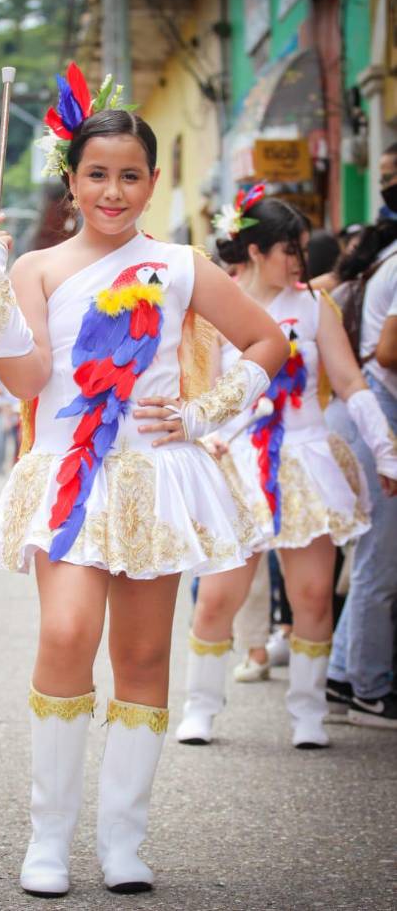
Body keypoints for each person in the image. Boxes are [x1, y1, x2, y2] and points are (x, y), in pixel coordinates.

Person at [0, 64, 289, 898]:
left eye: (131, 175)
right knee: (67, 635)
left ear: (151, 181)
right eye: (97, 175)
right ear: (70, 180)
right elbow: (27, 381)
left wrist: (204, 412)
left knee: (145, 654)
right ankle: (49, 840)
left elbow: (267, 344)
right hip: (72, 474)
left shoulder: (180, 263)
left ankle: (123, 843)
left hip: (157, 476)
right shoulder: (36, 267)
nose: (113, 191)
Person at [175, 192, 397, 751]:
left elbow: (350, 382)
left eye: (300, 249)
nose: (299, 260)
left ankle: (308, 713)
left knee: (315, 595)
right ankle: (201, 707)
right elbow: (199, 389)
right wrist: (210, 438)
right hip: (239, 460)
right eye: (287, 249)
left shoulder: (313, 307)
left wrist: (386, 450)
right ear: (254, 250)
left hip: (305, 458)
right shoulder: (215, 308)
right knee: (218, 597)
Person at [325, 142, 397, 729]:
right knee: (380, 559)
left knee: (370, 557)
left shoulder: (377, 267)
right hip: (378, 416)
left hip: (363, 417)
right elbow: (388, 355)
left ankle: (346, 675)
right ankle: (366, 685)